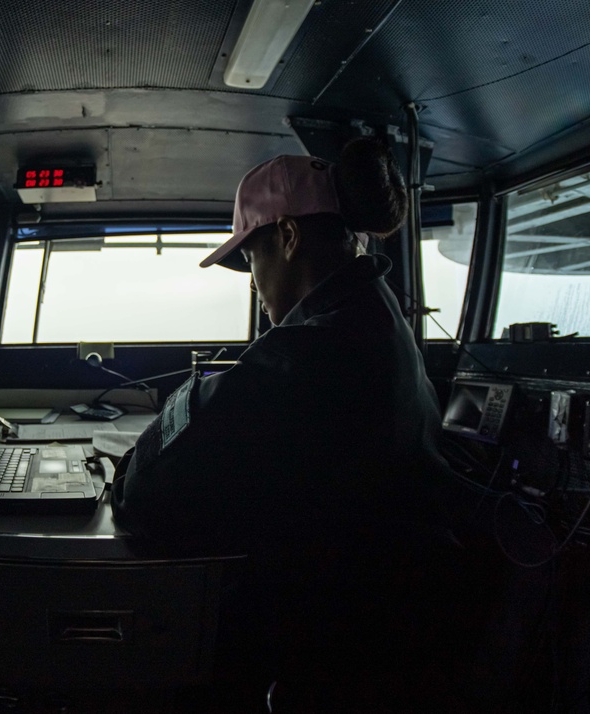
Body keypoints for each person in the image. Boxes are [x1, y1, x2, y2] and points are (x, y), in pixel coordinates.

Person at [110, 138, 473, 710]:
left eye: (251, 259)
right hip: (393, 624)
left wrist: (155, 439)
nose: (253, 284)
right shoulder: (376, 320)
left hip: (345, 652)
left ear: (288, 236)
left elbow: (146, 501)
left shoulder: (312, 352)